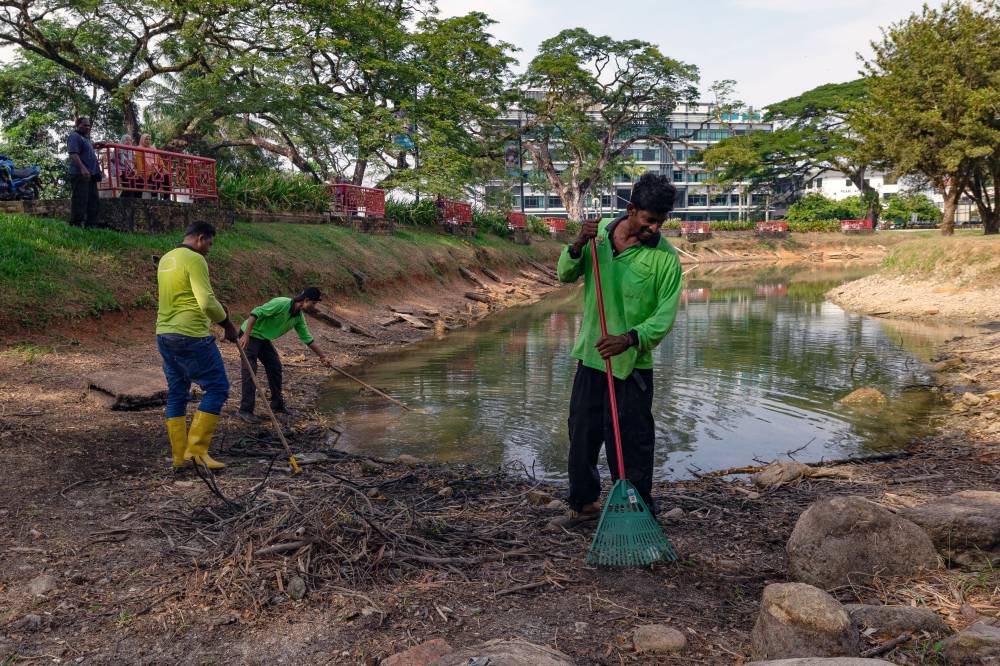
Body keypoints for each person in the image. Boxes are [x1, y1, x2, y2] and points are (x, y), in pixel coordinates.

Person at [553, 172, 683, 527]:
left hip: (632, 367)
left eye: (661, 222)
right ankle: (584, 506)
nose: (655, 228)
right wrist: (578, 243)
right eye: (649, 220)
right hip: (592, 357)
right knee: (582, 435)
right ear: (631, 209)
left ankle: (637, 512)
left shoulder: (665, 260)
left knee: (631, 445)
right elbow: (565, 274)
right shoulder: (597, 239)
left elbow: (664, 317)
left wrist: (629, 338)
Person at [156, 221, 239, 471]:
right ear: (201, 238)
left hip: (164, 334)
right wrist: (227, 324)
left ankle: (180, 457)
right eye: (210, 244)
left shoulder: (166, 259)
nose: (209, 250)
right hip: (190, 334)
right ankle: (198, 452)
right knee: (217, 387)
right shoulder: (195, 259)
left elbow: (184, 294)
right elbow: (205, 301)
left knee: (177, 392)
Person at [237, 288, 332, 423]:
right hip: (249, 335)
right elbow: (255, 313)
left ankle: (277, 404)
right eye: (314, 303)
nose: (314, 307)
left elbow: (308, 339)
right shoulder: (281, 303)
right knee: (250, 371)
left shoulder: (298, 317)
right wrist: (245, 334)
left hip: (263, 338)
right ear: (305, 300)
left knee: (275, 367)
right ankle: (245, 411)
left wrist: (323, 357)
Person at [67, 116, 102, 227]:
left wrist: (96, 145)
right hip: (80, 173)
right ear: (78, 125)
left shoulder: (85, 139)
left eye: (89, 125)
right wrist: (83, 168)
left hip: (91, 175)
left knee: (93, 200)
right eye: (85, 125)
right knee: (80, 199)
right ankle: (76, 225)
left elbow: (87, 147)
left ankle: (91, 226)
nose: (87, 127)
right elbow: (73, 154)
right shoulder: (74, 136)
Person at [137, 133, 170, 200]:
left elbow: (159, 159)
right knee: (156, 175)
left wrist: (163, 168)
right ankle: (154, 196)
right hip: (146, 172)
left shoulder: (153, 149)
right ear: (142, 140)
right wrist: (140, 173)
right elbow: (138, 162)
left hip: (155, 170)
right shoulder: (139, 149)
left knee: (166, 175)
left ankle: (167, 197)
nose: (148, 140)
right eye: (146, 139)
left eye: (149, 139)